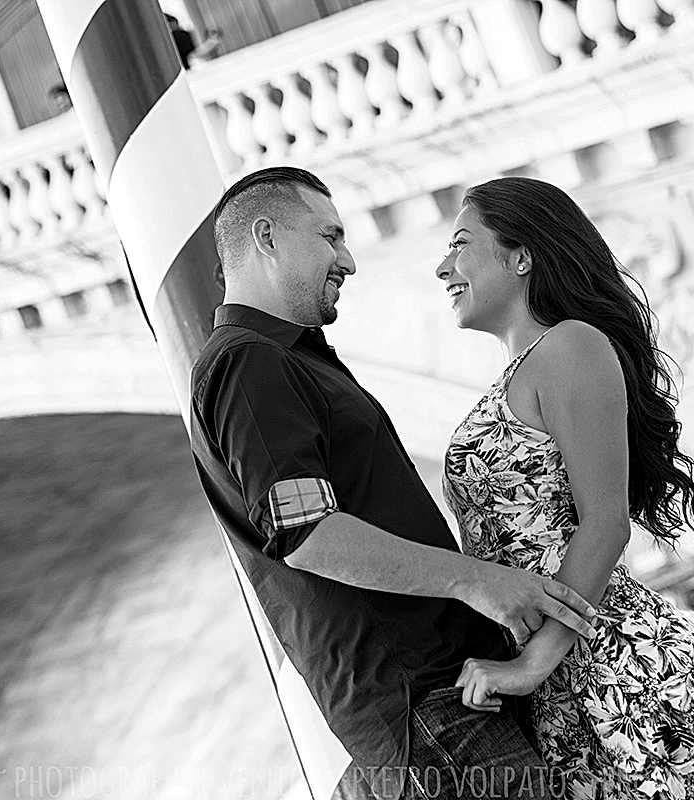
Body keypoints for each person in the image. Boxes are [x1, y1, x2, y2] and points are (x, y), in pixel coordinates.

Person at [190, 167, 599, 800]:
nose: (348, 261)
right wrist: (477, 580)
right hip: (426, 711)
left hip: (437, 706)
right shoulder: (250, 362)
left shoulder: (286, 361)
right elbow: (307, 535)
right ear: (266, 238)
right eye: (330, 237)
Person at [435, 177, 694, 798]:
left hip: (616, 673)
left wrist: (530, 664)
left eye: (462, 244)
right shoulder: (522, 374)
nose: (444, 267)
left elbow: (606, 524)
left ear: (522, 255)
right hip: (563, 689)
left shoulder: (571, 345)